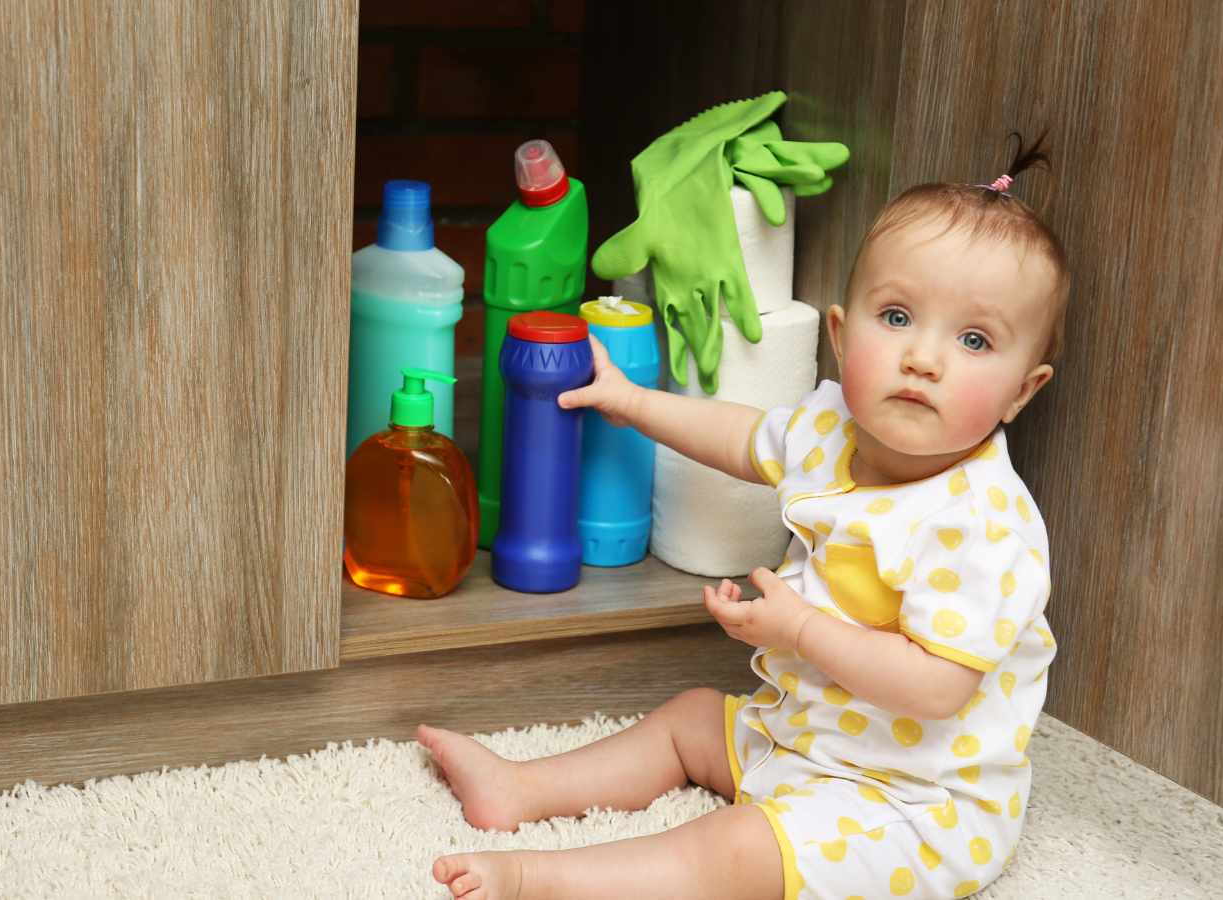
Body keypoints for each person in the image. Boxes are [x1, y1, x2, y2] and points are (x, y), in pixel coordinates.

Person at [418, 130, 1070, 900]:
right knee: (694, 718)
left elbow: (936, 689)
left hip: (911, 806)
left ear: (1022, 392)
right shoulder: (832, 430)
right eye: (896, 318)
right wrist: (630, 403)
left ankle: (539, 879)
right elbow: (739, 438)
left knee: (733, 848)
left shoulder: (984, 524)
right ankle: (520, 789)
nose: (924, 358)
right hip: (808, 737)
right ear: (837, 333)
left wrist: (800, 631)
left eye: (972, 340)